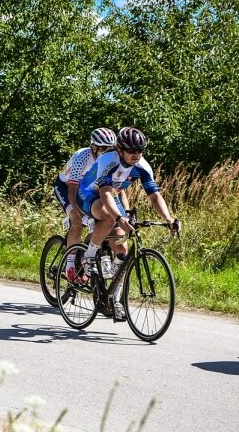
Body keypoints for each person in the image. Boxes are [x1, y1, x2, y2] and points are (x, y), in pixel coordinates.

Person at [77, 126, 180, 319]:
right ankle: (89, 256)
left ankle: (114, 299)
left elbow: (154, 196)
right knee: (109, 216)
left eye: (140, 150)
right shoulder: (108, 160)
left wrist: (169, 219)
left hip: (109, 195)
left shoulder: (142, 166)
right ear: (120, 149)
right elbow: (105, 192)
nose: (136, 154)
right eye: (132, 150)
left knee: (123, 253)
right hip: (89, 193)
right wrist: (118, 217)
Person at [53, 128, 118, 282]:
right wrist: (79, 212)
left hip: (88, 191)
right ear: (93, 146)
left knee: (100, 222)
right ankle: (69, 265)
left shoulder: (112, 159)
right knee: (76, 220)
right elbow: (72, 190)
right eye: (103, 148)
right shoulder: (81, 157)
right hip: (66, 187)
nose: (107, 152)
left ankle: (83, 254)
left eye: (110, 148)